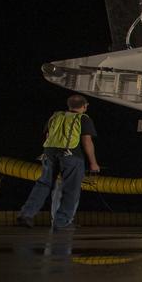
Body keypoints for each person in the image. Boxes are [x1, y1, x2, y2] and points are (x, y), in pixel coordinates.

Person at [19, 94, 101, 229]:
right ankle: (61, 221)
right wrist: (93, 163)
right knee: (71, 189)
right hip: (71, 155)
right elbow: (87, 141)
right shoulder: (83, 118)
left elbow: (48, 135)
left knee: (43, 184)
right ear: (84, 106)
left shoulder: (55, 116)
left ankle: (26, 213)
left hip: (49, 153)